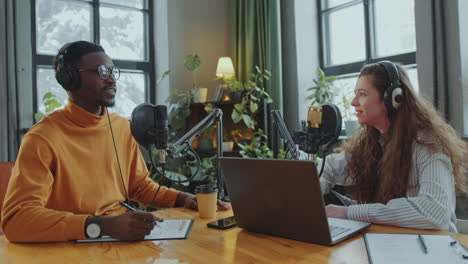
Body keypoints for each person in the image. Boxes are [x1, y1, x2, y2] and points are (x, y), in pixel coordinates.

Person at [1, 41, 229, 242]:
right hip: (73, 246)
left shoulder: (120, 127)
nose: (111, 79)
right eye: (101, 71)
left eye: (112, 71)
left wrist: (183, 197)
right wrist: (101, 226)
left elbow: (139, 186)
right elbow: (17, 219)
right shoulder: (42, 138)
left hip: (121, 241)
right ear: (69, 78)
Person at [320, 61, 467, 232]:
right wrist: (310, 191)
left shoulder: (429, 144)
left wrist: (349, 212)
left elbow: (434, 213)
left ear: (393, 99)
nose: (353, 102)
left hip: (432, 249)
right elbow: (329, 167)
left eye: (362, 94)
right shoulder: (373, 143)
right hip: (391, 243)